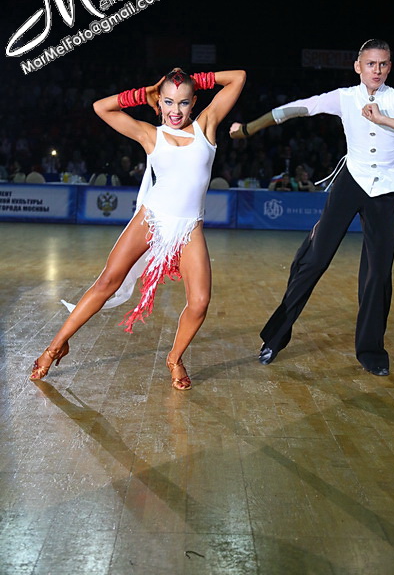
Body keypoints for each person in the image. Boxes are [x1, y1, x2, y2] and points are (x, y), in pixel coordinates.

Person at [30, 67, 246, 389]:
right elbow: (101, 108)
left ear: (194, 102)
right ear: (159, 103)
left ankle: (174, 358)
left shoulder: (206, 126)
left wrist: (193, 80)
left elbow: (238, 77)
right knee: (107, 282)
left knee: (200, 302)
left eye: (183, 102)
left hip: (189, 229)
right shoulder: (150, 134)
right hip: (151, 219)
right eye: (168, 102)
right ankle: (55, 346)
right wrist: (143, 92)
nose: (175, 111)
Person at [230, 39, 394, 376]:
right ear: (358, 66)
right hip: (351, 182)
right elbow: (297, 108)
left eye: (383, 64)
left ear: (389, 67)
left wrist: (383, 119)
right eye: (370, 63)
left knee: (378, 273)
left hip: (384, 188)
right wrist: (249, 129)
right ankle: (275, 337)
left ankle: (371, 351)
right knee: (315, 260)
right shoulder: (344, 97)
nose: (377, 70)